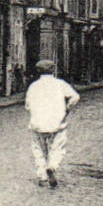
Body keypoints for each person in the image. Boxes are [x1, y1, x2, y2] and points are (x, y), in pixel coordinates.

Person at [23, 59, 79, 189]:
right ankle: (52, 166)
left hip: (37, 123)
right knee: (58, 147)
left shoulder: (33, 86)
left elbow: (27, 105)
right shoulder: (60, 84)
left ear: (38, 71)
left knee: (38, 150)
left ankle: (42, 174)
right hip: (57, 123)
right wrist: (67, 108)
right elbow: (75, 97)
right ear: (53, 70)